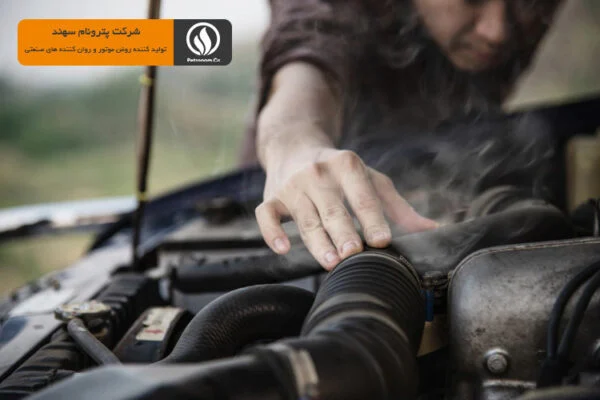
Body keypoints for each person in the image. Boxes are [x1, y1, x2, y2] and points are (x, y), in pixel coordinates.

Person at [240, 0, 564, 270]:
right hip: (302, 211)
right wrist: (298, 149)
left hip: (447, 181)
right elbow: (303, 68)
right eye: (472, 0)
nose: (497, 31)